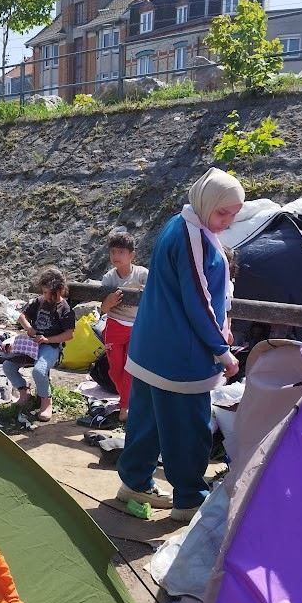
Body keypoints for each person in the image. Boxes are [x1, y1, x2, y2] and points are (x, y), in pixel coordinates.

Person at [117, 167, 244, 523]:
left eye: (234, 215)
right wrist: (222, 350)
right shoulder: (193, 237)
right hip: (179, 355)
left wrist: (225, 323)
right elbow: (199, 300)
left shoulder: (185, 224)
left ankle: (135, 482)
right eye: (223, 213)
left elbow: (213, 294)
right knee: (188, 430)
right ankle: (188, 499)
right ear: (206, 202)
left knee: (148, 422)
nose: (228, 222)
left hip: (151, 348)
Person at [3, 267, 76, 421]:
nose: (46, 297)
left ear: (61, 290)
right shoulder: (39, 302)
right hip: (32, 343)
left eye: (50, 293)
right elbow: (22, 316)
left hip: (51, 346)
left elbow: (69, 334)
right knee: (8, 366)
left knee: (39, 370)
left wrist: (48, 340)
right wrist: (29, 328)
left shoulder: (65, 309)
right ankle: (24, 391)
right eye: (44, 292)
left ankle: (45, 401)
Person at [98, 232, 149, 421]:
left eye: (121, 252)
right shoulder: (109, 278)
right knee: (115, 368)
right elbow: (102, 309)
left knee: (130, 367)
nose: (116, 256)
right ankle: (127, 398)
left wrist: (146, 294)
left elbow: (157, 297)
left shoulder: (143, 274)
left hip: (137, 326)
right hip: (115, 325)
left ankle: (125, 405)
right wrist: (108, 303)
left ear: (131, 255)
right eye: (112, 252)